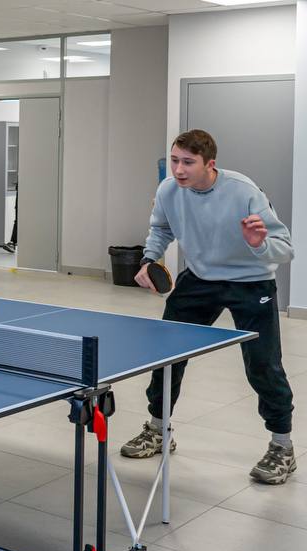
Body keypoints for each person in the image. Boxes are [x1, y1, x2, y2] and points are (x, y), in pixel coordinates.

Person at [121, 129, 295, 484]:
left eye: (188, 162)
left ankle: (282, 447)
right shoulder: (169, 190)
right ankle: (158, 429)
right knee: (166, 356)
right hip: (200, 278)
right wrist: (149, 258)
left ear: (209, 164)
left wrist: (259, 244)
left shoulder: (244, 191)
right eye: (174, 160)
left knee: (263, 365)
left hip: (251, 282)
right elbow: (161, 228)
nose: (179, 169)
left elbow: (285, 249)